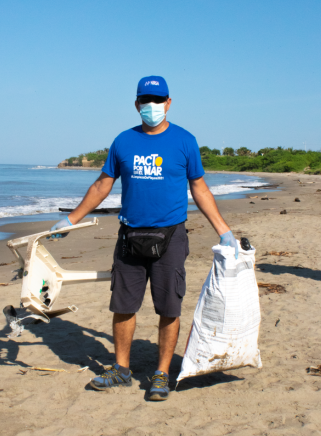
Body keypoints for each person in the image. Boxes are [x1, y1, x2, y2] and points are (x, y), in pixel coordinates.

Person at [50, 76, 238, 401]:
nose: (152, 106)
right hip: (130, 236)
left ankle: (162, 374)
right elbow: (102, 185)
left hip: (171, 236)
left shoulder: (185, 141)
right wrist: (71, 219)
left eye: (158, 99)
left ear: (168, 102)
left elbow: (200, 188)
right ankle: (121, 369)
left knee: (169, 307)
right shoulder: (123, 142)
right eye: (146, 100)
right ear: (137, 104)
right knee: (123, 306)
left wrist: (224, 230)